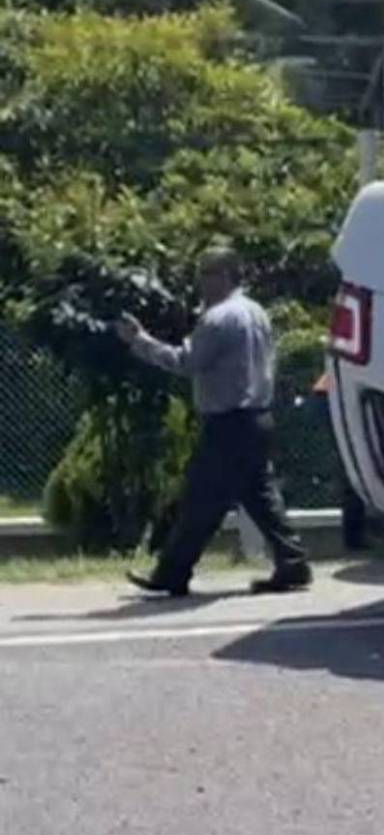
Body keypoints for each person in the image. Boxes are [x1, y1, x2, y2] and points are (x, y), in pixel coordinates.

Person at [116, 247, 312, 597]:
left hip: (228, 421)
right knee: (259, 495)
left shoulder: (218, 318)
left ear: (225, 276)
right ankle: (293, 562)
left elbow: (185, 362)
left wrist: (140, 341)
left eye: (207, 274)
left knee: (200, 499)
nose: (201, 283)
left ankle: (172, 572)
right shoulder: (256, 312)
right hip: (256, 416)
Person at [312, 371, 369, 552]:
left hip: (332, 394)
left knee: (352, 468)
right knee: (353, 469)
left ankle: (354, 536)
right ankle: (354, 537)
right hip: (335, 395)